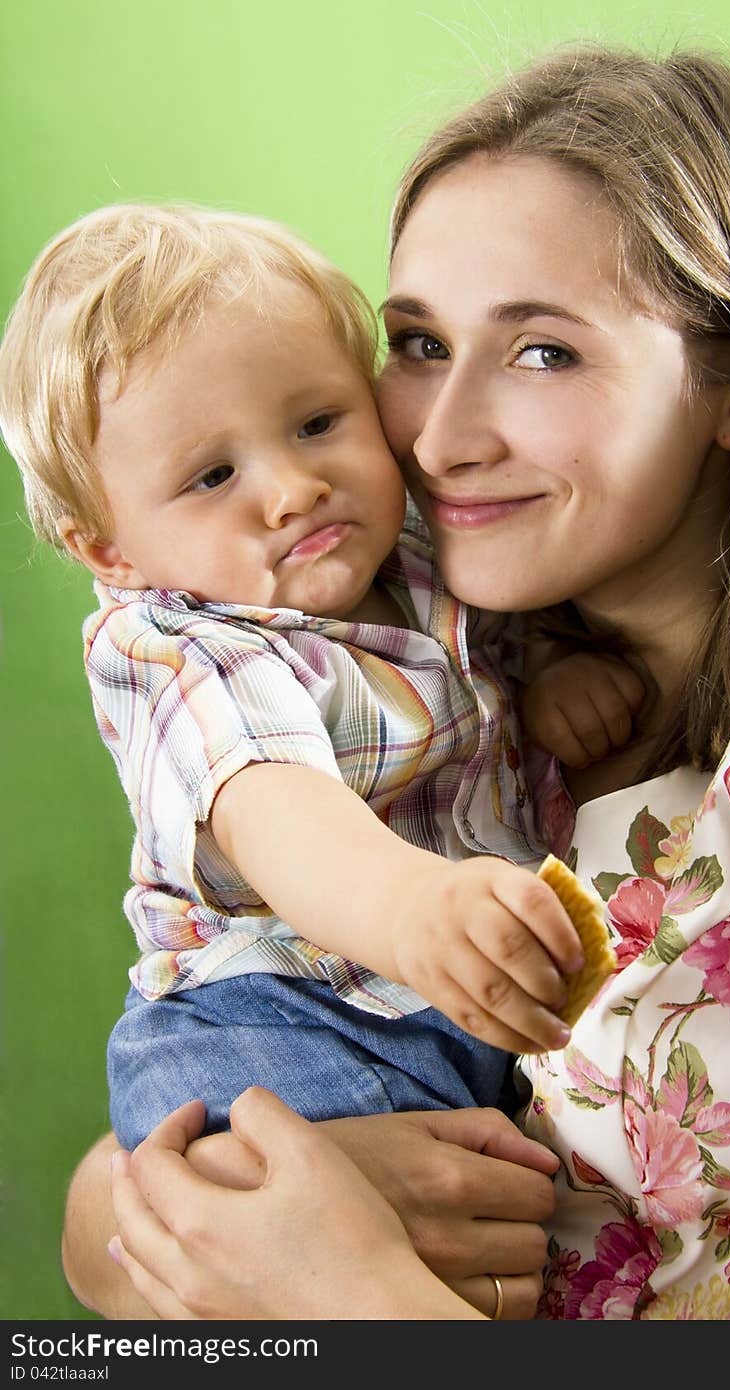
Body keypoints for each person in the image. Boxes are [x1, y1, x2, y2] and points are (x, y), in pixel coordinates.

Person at [61, 41, 730, 1320]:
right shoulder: (461, 684)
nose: (441, 438)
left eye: (543, 352)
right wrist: (141, 1207)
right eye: (419, 343)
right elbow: (131, 1202)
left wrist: (354, 1289)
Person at [0, 204, 645, 1155]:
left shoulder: (416, 551)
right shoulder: (182, 644)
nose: (292, 487)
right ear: (110, 547)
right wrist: (410, 906)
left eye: (316, 422)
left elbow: (491, 653)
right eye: (213, 476)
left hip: (452, 1013)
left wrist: (552, 673)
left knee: (491, 1225)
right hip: (276, 1025)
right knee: (303, 1218)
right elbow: (279, 811)